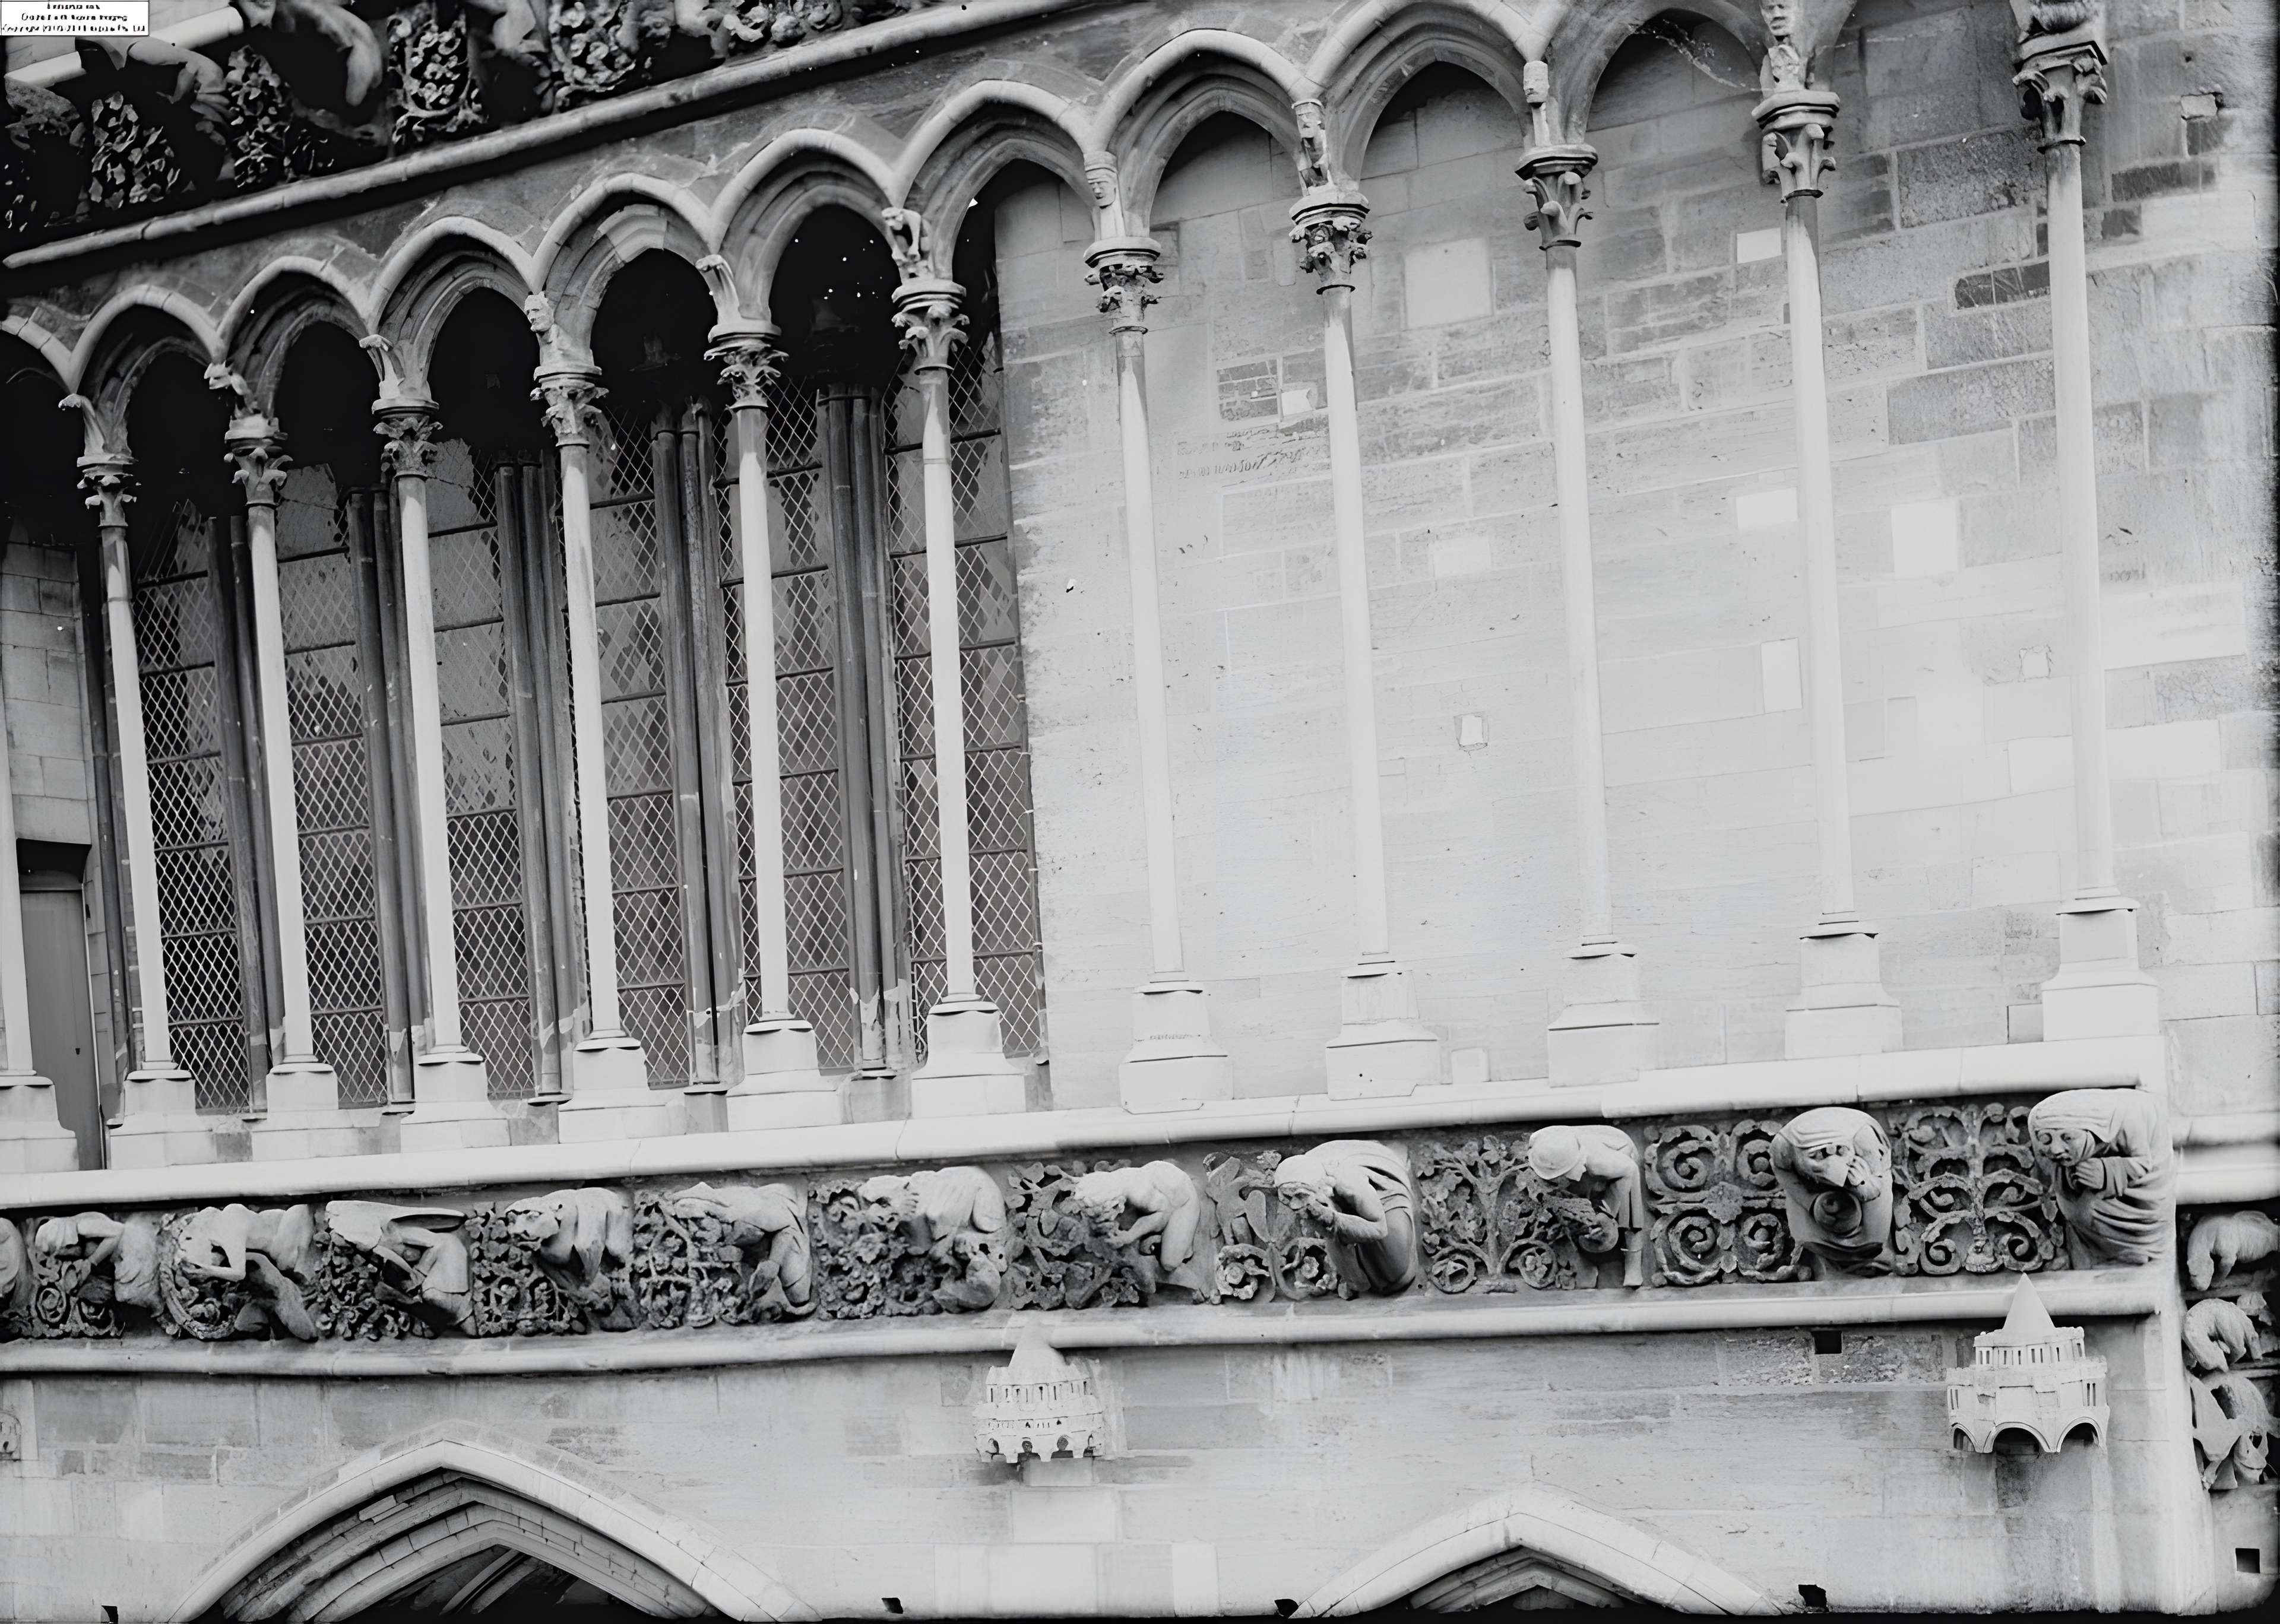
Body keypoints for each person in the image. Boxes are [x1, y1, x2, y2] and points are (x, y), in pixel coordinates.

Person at [2027, 1089, 2173, 1267]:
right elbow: (2046, 1164)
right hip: (2082, 1178)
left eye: (2068, 1138)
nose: (2056, 1149)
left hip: (2144, 1183)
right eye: (2046, 1139)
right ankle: (2088, 1253)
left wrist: (2106, 1172)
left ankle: (2132, 1249)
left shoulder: (2130, 1120)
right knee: (2074, 1205)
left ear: (2093, 1131)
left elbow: (2144, 1163)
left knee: (2096, 1209)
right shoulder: (2040, 1121)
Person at [1526, 1125, 1648, 1289]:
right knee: (1571, 1203)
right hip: (1582, 1155)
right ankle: (1584, 1252)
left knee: (1628, 1202)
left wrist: (1608, 1212)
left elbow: (1630, 1170)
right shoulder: (1545, 1146)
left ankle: (1633, 1264)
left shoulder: (1599, 1164)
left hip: (1623, 1158)